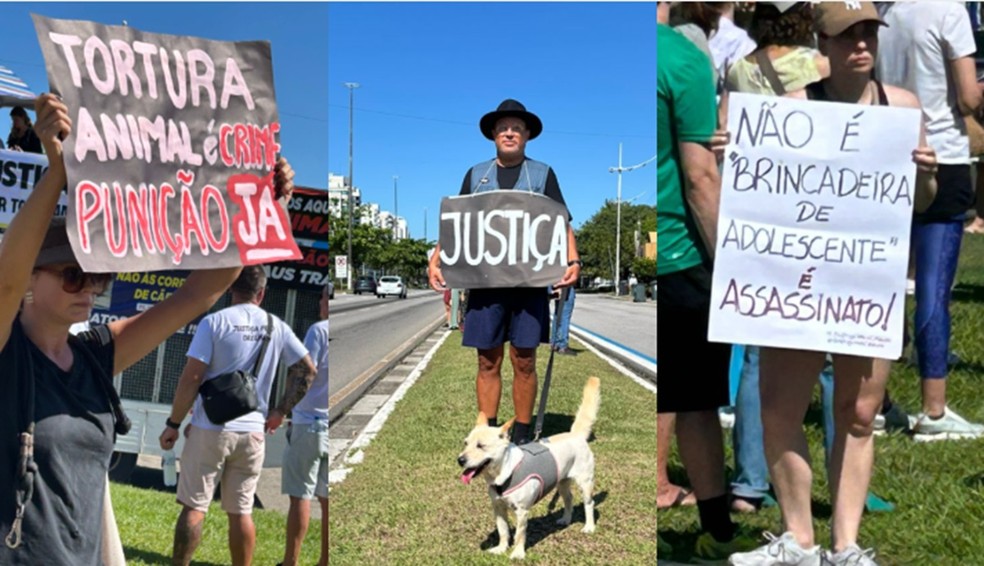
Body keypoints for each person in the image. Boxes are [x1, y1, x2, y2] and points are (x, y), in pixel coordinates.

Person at [0, 93, 294, 565]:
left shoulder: (94, 354)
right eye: (72, 275)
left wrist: (258, 207)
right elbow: (4, 279)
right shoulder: (7, 351)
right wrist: (58, 173)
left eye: (96, 276)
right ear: (31, 280)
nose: (90, 288)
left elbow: (196, 295)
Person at [728, 3, 939, 564]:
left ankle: (846, 545)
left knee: (860, 412)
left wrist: (926, 174)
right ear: (823, 42)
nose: (861, 46)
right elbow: (764, 196)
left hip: (868, 283)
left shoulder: (904, 110)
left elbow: (920, 204)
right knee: (779, 410)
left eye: (869, 33)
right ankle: (798, 538)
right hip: (800, 284)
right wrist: (739, 158)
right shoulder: (794, 108)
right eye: (848, 36)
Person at [657, 20, 759, 561]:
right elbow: (700, 178)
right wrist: (734, 267)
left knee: (663, 394)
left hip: (654, 251)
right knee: (695, 402)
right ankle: (715, 532)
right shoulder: (681, 58)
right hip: (682, 251)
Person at [427, 99, 581, 446]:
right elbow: (457, 225)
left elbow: (562, 222)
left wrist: (573, 261)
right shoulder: (476, 174)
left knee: (524, 360)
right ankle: (488, 433)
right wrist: (436, 259)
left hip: (529, 284)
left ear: (527, 135)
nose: (509, 133)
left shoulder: (542, 174)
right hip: (485, 284)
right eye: (504, 128)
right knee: (487, 360)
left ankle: (524, 435)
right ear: (494, 134)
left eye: (517, 128)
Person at [158, 265, 317, 566]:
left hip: (210, 428)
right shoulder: (276, 325)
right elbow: (307, 369)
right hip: (253, 432)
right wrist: (281, 410)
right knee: (242, 511)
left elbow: (192, 377)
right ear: (262, 293)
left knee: (194, 506)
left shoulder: (214, 322)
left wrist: (174, 423)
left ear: (231, 288)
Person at [876, 0, 984, 440]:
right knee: (934, 288)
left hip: (889, 149)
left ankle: (877, 402)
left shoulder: (884, 13)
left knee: (884, 284)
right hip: (943, 152)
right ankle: (933, 410)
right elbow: (967, 96)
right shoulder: (949, 12)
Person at [278, 283, 329, 566]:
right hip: (330, 424)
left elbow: (306, 372)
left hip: (309, 422)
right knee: (326, 500)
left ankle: (291, 562)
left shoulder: (319, 331)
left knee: (300, 496)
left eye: (322, 298)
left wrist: (285, 408)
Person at [550, 285, 576, 356]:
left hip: (559, 285)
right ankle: (562, 345)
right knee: (564, 316)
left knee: (558, 314)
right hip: (565, 285)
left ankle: (555, 343)